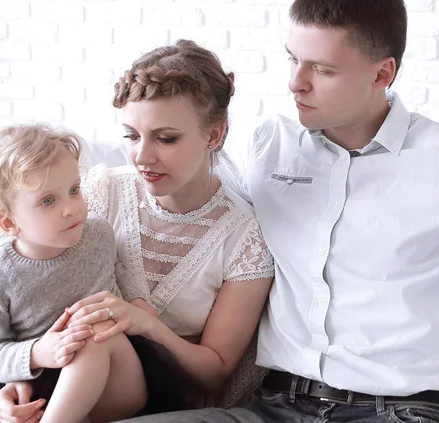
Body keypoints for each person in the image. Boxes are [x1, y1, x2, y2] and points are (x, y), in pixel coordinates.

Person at [0, 40, 275, 422]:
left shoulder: (243, 239)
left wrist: (148, 325)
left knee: (94, 327)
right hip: (62, 381)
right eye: (131, 136)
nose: (142, 156)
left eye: (166, 138)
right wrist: (15, 385)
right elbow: (35, 236)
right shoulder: (102, 191)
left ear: (214, 135)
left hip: (150, 397)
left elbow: (214, 373)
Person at [116, 0, 439, 422]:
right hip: (272, 407)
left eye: (322, 69)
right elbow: (183, 187)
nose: (295, 83)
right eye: (293, 59)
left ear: (382, 73)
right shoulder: (270, 146)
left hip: (398, 410)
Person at [0, 123, 154, 423]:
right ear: (9, 224)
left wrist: (139, 305)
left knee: (91, 325)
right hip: (46, 390)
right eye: (48, 200)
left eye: (74, 190)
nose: (71, 208)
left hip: (116, 380)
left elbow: (122, 279)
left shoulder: (98, 233)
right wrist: (36, 353)